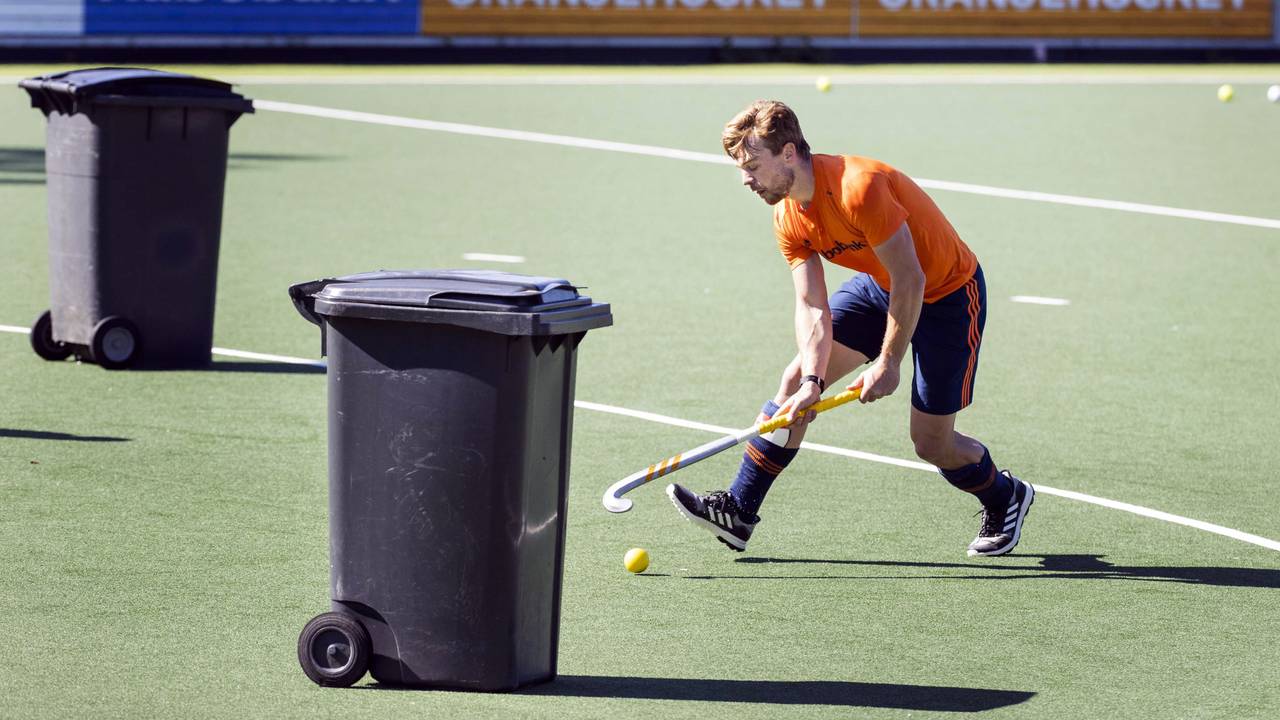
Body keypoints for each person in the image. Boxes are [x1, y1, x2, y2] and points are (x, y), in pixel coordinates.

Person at [667, 100, 1034, 557]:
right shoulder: (786, 215)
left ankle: (1005, 496)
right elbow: (811, 305)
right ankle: (739, 511)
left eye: (752, 165)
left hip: (948, 294)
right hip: (881, 286)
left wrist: (889, 362)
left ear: (787, 153)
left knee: (931, 443)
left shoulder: (858, 188)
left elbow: (912, 278)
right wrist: (812, 383)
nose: (746, 179)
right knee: (793, 380)